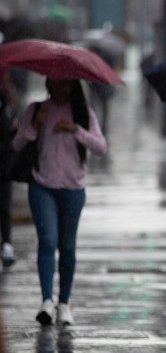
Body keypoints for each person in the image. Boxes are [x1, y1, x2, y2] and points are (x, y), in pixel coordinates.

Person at [12, 78, 108, 326]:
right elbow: (18, 143)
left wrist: (75, 129)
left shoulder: (83, 113)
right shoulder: (36, 109)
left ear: (73, 85)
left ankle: (64, 303)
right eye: (56, 83)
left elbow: (101, 147)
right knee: (47, 241)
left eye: (66, 84)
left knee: (67, 246)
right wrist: (35, 125)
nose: (61, 88)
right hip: (42, 186)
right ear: (48, 82)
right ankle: (46, 300)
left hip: (73, 189)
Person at [0, 67, 19, 267]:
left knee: (4, 203)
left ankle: (6, 242)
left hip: (4, 159)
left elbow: (12, 125)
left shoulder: (6, 96)